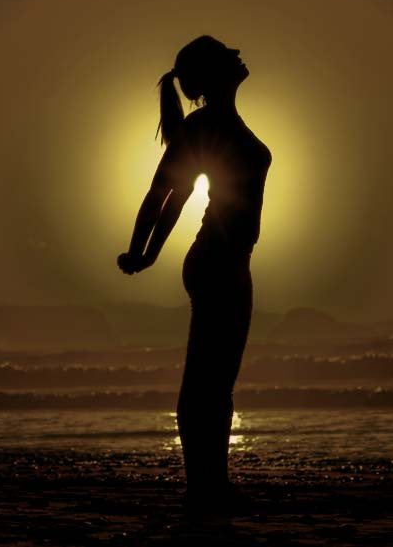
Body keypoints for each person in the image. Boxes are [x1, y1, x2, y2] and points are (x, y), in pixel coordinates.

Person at [116, 35, 271, 509]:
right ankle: (201, 486)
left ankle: (214, 483)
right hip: (215, 261)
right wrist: (139, 252)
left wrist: (152, 253)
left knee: (218, 382)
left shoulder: (224, 123)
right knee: (204, 380)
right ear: (213, 73)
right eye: (227, 53)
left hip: (233, 262)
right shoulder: (203, 126)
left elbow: (181, 198)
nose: (239, 53)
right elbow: (162, 192)